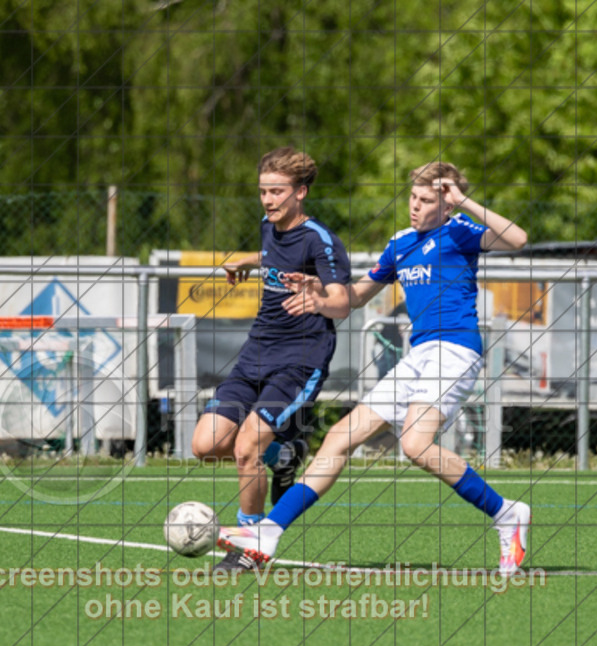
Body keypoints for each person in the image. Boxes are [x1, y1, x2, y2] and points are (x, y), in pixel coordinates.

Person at [217, 161, 532, 576]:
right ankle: (269, 531)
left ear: (446, 202)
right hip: (419, 354)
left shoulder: (460, 231)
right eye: (412, 198)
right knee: (339, 437)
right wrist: (316, 288)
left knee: (415, 445)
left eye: (425, 200)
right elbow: (357, 297)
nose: (414, 207)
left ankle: (507, 513)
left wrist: (464, 202)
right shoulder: (400, 243)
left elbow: (518, 239)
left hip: (455, 350)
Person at [192, 146, 352, 571]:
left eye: (277, 191)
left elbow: (343, 301)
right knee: (205, 445)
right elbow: (272, 257)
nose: (268, 200)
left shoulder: (320, 239)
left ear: (300, 192)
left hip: (300, 360)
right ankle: (282, 457)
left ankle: (248, 547)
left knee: (247, 447)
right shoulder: (268, 226)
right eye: (263, 191)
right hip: (256, 351)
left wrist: (319, 297)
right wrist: (248, 260)